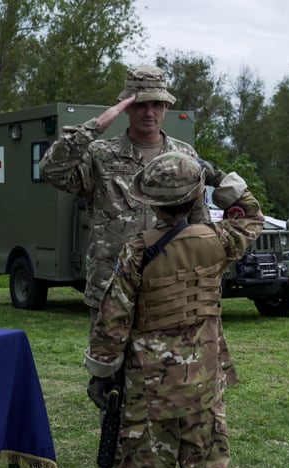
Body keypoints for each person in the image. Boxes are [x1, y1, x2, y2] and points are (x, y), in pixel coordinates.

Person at [84, 151, 264, 468]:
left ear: (151, 202)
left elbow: (113, 320)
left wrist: (101, 372)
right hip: (205, 383)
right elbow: (251, 216)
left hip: (150, 390)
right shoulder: (219, 240)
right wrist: (220, 178)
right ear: (197, 194)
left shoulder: (138, 250)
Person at [39, 65, 225, 323]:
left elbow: (199, 222)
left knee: (165, 363)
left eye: (156, 104)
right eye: (140, 104)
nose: (149, 112)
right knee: (109, 362)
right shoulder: (100, 154)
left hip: (170, 286)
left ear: (166, 108)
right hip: (112, 285)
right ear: (126, 107)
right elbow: (52, 171)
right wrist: (94, 127)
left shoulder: (184, 156)